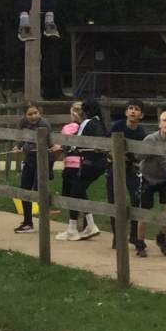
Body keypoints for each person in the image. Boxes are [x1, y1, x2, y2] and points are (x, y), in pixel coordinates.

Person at [136, 108, 166, 257]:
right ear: (159, 124)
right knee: (145, 212)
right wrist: (149, 152)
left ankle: (161, 237)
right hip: (147, 177)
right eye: (164, 120)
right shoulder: (151, 139)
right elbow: (138, 156)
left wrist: (160, 156)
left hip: (164, 179)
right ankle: (140, 242)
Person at [109, 100, 149, 254]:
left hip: (131, 168)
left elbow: (141, 154)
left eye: (136, 109)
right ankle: (117, 236)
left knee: (136, 199)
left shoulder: (141, 133)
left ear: (141, 115)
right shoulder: (118, 126)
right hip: (114, 167)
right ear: (126, 112)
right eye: (130, 108)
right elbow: (107, 144)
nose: (133, 111)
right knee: (114, 200)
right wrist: (115, 157)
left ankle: (134, 235)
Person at [72, 98, 109, 241]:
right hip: (101, 163)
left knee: (77, 189)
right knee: (79, 189)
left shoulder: (87, 122)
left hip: (90, 163)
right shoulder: (99, 122)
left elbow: (76, 143)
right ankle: (89, 225)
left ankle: (88, 225)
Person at [13, 102, 47, 233]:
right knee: (24, 189)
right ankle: (28, 222)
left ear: (39, 112)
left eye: (35, 113)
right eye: (30, 114)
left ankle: (44, 222)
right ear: (25, 115)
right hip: (29, 160)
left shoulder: (43, 124)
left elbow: (42, 142)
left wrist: (25, 148)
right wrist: (18, 146)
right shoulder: (24, 123)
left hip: (42, 161)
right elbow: (22, 137)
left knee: (40, 191)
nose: (33, 116)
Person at [58, 105, 87, 240]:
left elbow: (62, 144)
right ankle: (85, 224)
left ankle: (73, 228)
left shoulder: (68, 128)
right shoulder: (85, 127)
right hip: (82, 164)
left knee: (71, 195)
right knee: (81, 193)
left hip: (71, 164)